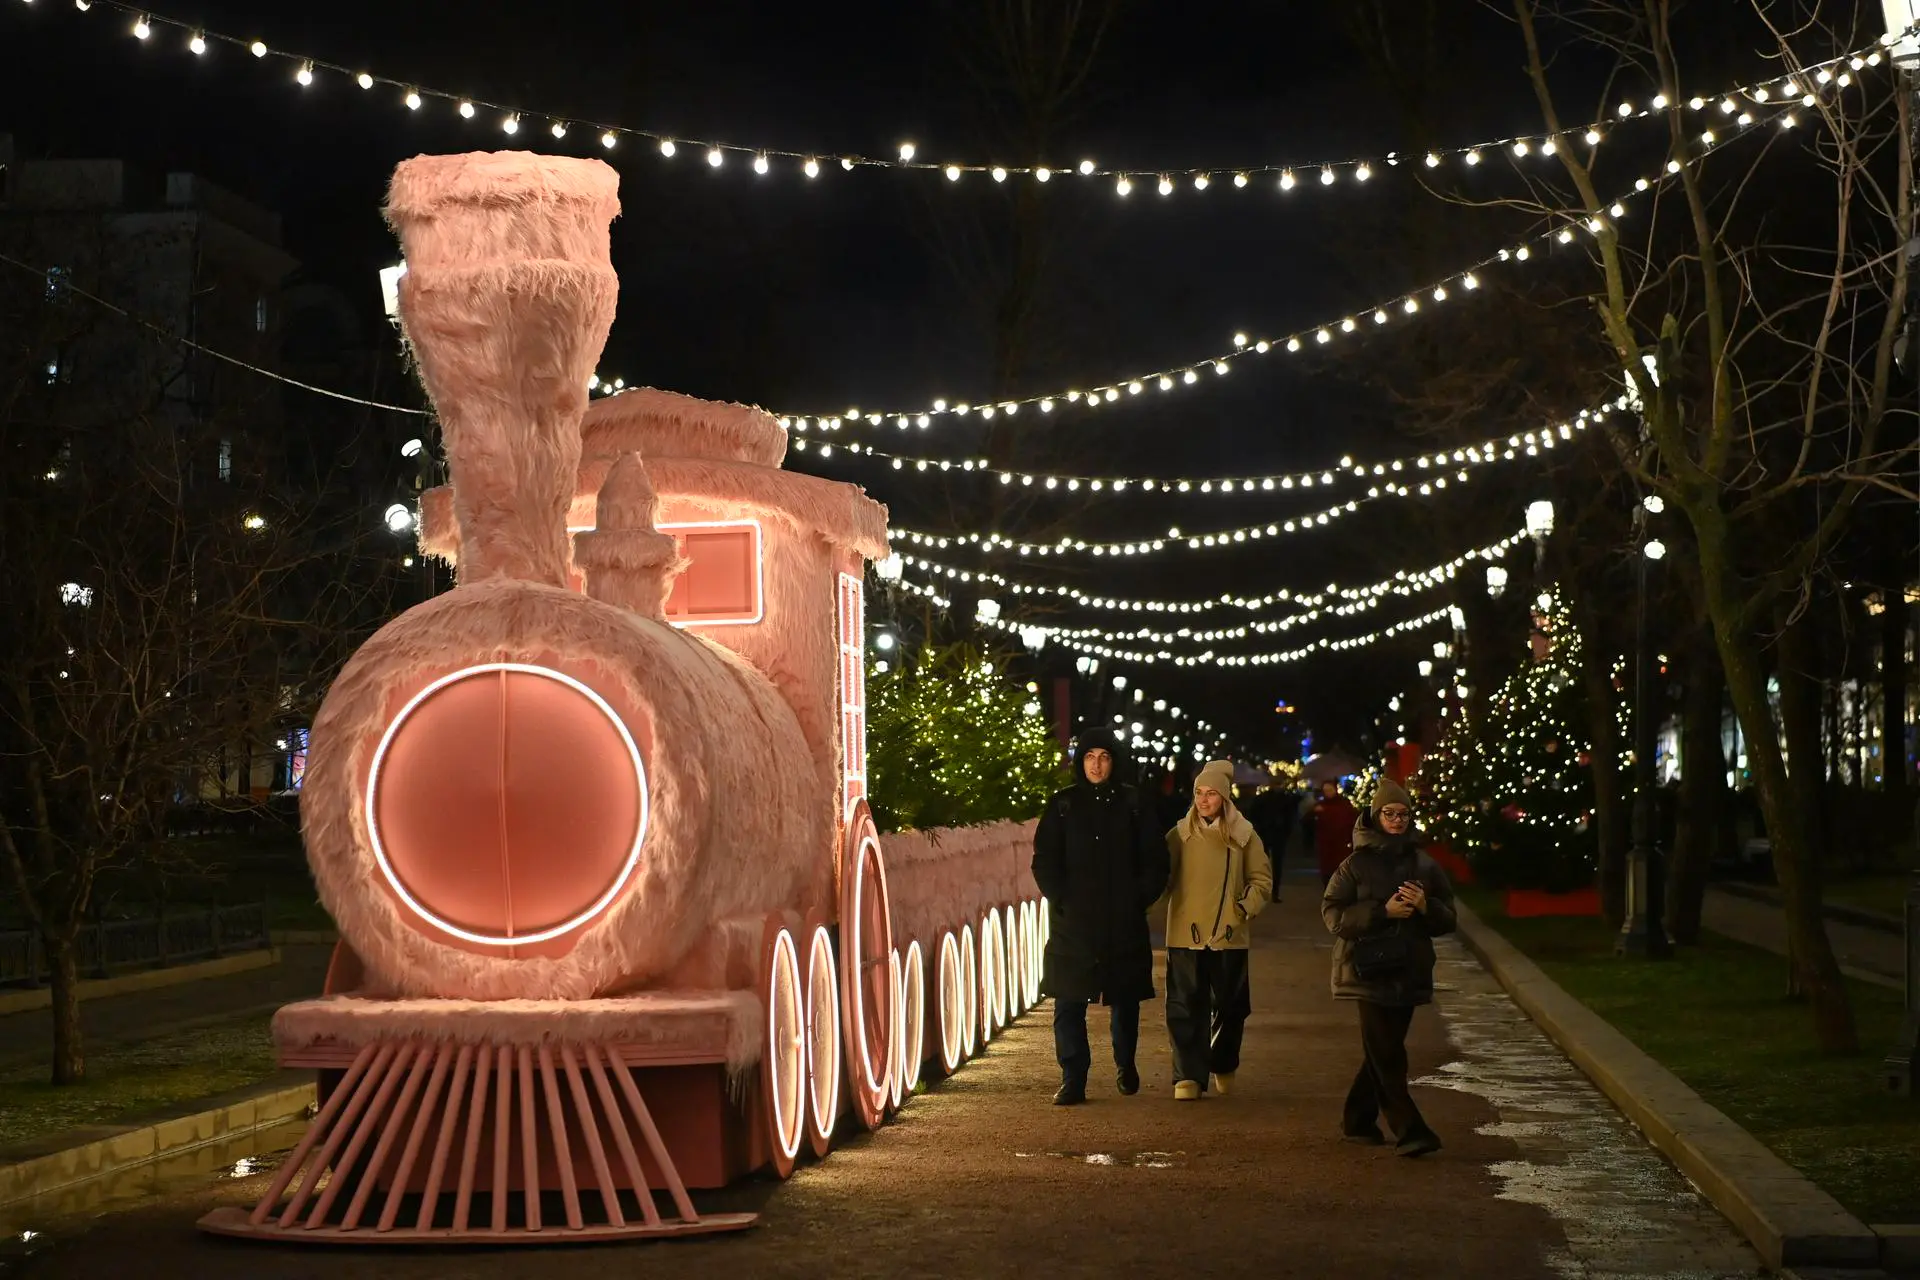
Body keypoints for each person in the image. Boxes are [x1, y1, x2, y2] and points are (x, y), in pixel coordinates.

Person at [1032, 727, 1170, 1106]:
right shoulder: (1063, 805)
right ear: (1081, 762)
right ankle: (1073, 1077)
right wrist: (1061, 898)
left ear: (1115, 761)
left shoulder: (1134, 804)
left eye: (1104, 756)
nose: (1097, 764)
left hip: (1121, 920)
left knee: (1124, 999)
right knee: (1068, 1001)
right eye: (1090, 756)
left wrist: (1137, 898)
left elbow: (1156, 861)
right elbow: (1045, 859)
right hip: (1074, 922)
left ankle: (1125, 1064)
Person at [1320, 775, 1457, 1156]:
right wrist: (1383, 912)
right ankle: (1410, 1129)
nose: (1397, 820)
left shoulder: (1424, 864)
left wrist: (1427, 907)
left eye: (1403, 814)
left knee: (1384, 1049)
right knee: (1388, 1053)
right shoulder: (1355, 865)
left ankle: (1357, 1120)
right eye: (1389, 813)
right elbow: (1333, 914)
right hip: (1365, 970)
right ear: (1375, 816)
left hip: (1409, 968)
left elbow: (1449, 918)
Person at [1163, 760, 1273, 1100]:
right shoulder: (1179, 835)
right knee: (1184, 1005)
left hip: (1229, 934)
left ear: (1225, 798)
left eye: (1211, 794)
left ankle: (1224, 1062)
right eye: (1199, 793)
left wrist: (1242, 908)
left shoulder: (1244, 836)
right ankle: (1188, 1076)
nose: (1204, 800)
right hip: (1186, 933)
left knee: (1231, 1006)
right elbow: (1160, 879)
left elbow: (1262, 880)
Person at [1313, 780, 1358, 885]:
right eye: (1325, 790)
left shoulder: (1344, 804)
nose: (1328, 792)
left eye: (1330, 790)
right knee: (1327, 874)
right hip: (1326, 845)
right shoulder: (1321, 806)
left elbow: (1351, 821)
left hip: (1341, 844)